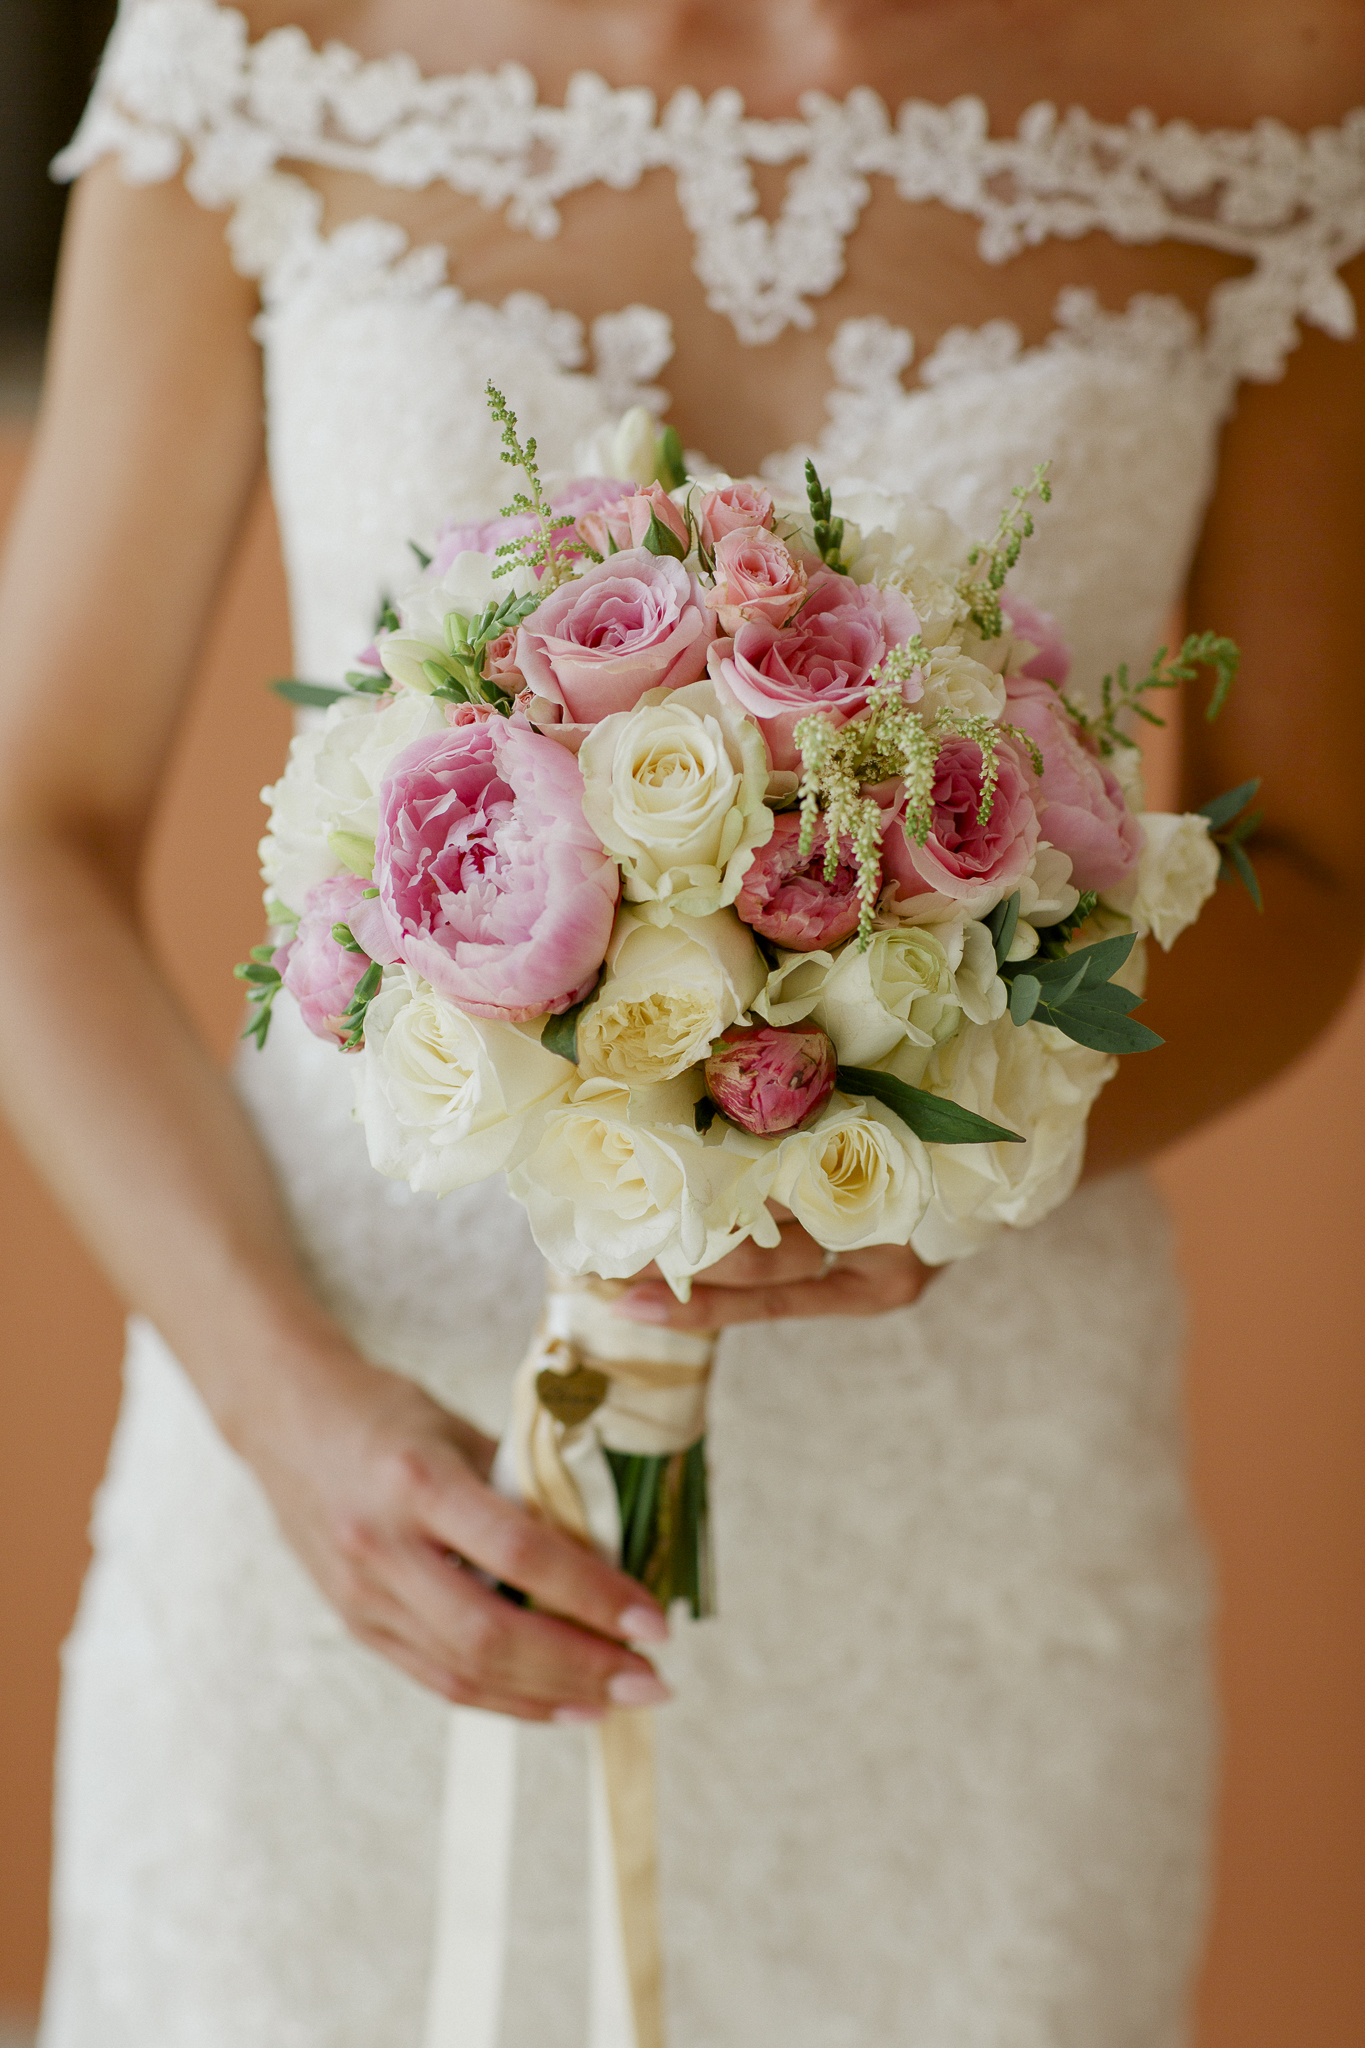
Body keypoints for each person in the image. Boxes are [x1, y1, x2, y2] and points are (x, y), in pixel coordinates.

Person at [1, 0, 1362, 2041]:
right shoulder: (263, 34)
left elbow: (1305, 875)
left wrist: (945, 1116)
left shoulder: (1268, 82)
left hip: (961, 1551)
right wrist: (283, 1409)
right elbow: (34, 825)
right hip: (354, 1476)